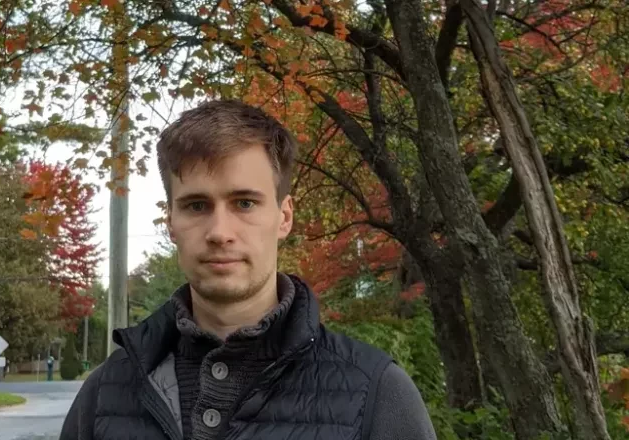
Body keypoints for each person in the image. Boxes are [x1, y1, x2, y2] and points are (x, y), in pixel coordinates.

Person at [59, 100, 437, 440]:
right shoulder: (106, 392)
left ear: (284, 216)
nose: (220, 233)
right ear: (170, 222)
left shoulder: (376, 393)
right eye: (196, 206)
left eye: (244, 203)